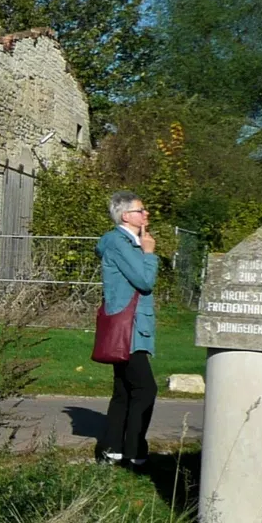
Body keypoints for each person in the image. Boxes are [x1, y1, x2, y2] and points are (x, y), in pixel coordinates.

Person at [96, 191, 158, 466]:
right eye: (141, 210)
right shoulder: (119, 243)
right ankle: (135, 451)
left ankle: (112, 449)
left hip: (133, 325)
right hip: (128, 328)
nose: (146, 214)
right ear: (125, 216)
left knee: (124, 390)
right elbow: (144, 281)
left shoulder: (129, 242)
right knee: (146, 389)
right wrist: (149, 254)